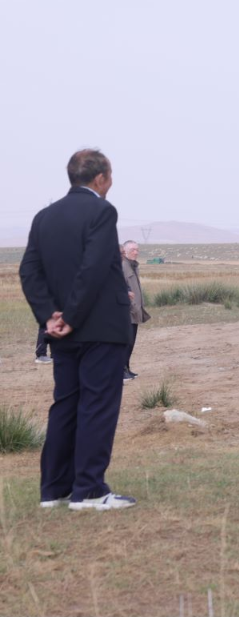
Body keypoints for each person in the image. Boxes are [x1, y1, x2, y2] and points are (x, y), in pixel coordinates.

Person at [19, 149, 136, 511]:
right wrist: (71, 314)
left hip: (62, 333)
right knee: (97, 405)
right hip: (100, 327)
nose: (111, 182)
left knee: (66, 405)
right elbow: (94, 266)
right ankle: (89, 490)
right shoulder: (102, 211)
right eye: (110, 175)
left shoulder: (44, 217)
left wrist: (49, 317)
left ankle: (55, 489)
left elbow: (29, 271)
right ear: (100, 178)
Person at [120, 240, 150, 379]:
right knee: (126, 342)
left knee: (131, 342)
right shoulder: (122, 265)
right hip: (126, 310)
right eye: (133, 250)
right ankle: (121, 371)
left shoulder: (133, 266)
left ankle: (127, 368)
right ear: (125, 251)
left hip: (135, 309)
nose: (136, 252)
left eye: (137, 249)